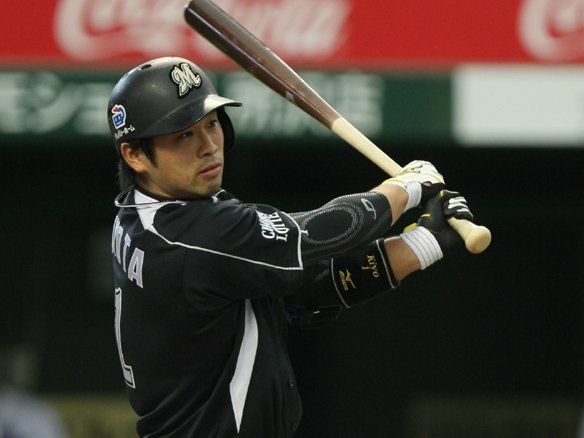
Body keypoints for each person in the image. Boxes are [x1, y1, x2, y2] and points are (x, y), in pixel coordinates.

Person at [107, 56, 475, 438]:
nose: (209, 146)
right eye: (183, 135)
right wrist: (408, 186)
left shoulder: (145, 213)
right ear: (135, 155)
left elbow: (305, 289)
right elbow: (316, 233)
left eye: (212, 124)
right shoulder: (185, 236)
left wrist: (425, 242)